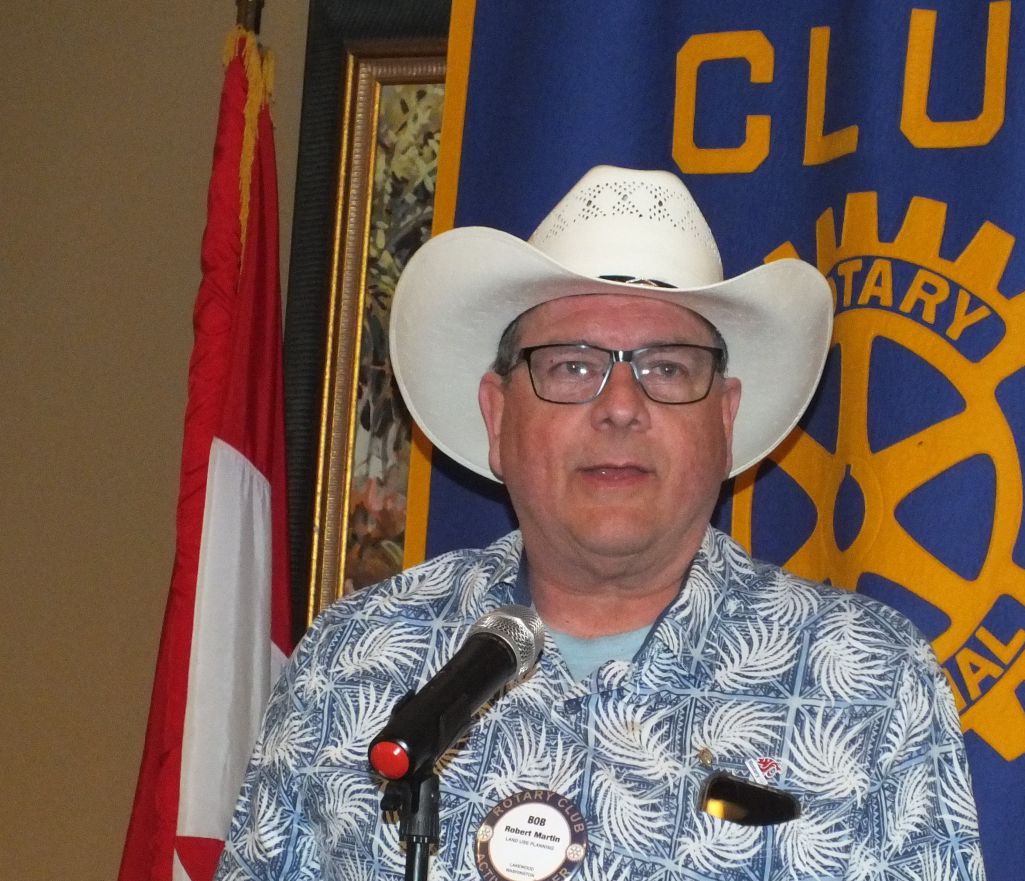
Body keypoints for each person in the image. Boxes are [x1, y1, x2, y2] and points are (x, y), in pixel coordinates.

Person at [215, 166, 985, 881]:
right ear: (498, 416)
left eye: (667, 367)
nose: (621, 406)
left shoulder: (872, 682)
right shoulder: (355, 662)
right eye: (573, 365)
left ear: (725, 418)